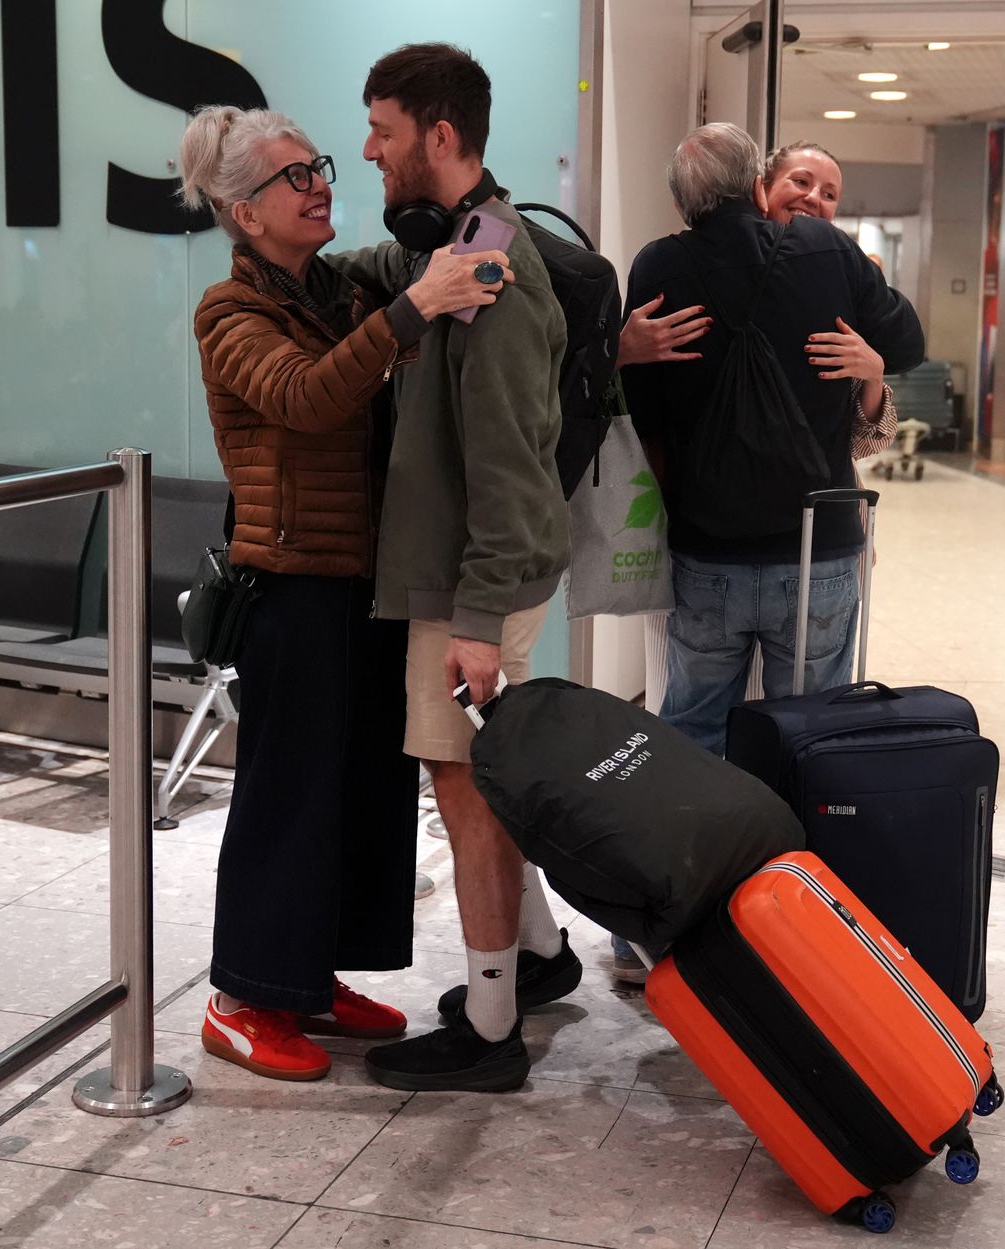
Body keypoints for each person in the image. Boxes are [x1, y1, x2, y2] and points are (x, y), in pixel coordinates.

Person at [182, 104, 515, 1081]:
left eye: (319, 165)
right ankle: (244, 997)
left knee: (357, 797)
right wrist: (415, 310)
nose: (321, 181)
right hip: (291, 590)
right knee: (287, 799)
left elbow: (447, 256)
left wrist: (483, 211)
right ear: (244, 213)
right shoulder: (229, 312)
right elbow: (305, 395)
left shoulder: (334, 285)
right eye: (294, 176)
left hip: (367, 585)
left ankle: (306, 979)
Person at [325, 43, 575, 1094]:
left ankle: (488, 1026)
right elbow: (380, 275)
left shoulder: (493, 283)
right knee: (472, 784)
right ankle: (541, 955)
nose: (367, 150)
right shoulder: (450, 252)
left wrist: (474, 618)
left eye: (382, 130)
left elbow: (511, 471)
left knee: (463, 788)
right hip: (466, 574)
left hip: (471, 582)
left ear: (438, 136)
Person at [620, 124, 924, 758]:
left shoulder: (660, 264)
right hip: (817, 549)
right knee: (810, 737)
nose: (813, 200)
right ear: (760, 186)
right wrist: (873, 357)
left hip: (705, 553)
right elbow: (910, 345)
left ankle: (702, 855)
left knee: (696, 735)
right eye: (800, 183)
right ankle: (795, 858)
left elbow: (643, 417)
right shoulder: (829, 253)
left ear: (682, 203)